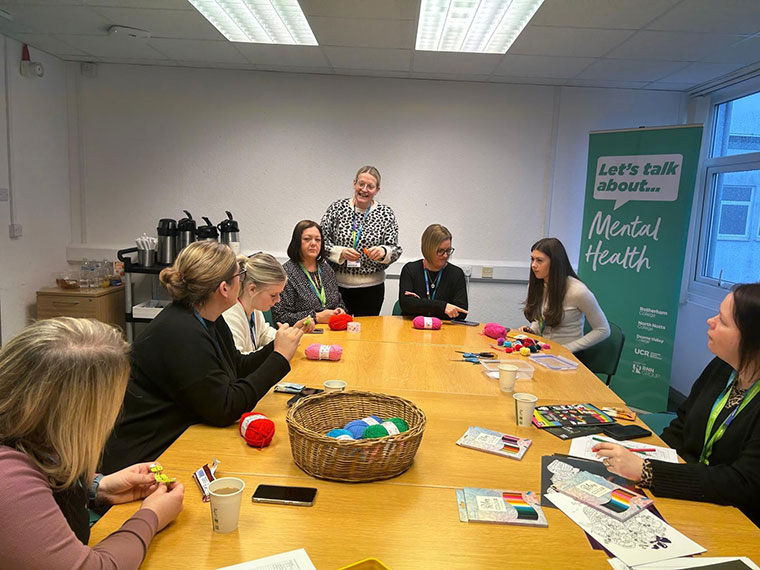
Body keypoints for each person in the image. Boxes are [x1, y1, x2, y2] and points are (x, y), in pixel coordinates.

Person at [101, 241, 303, 474]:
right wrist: (279, 359)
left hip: (175, 438)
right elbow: (225, 408)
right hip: (143, 458)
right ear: (224, 289)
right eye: (240, 274)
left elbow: (236, 367)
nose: (244, 278)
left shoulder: (208, 317)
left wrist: (277, 347)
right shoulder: (180, 332)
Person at [0, 317, 184, 569]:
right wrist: (150, 516)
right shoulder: (7, 478)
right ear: (75, 414)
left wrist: (98, 487)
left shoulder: (22, 430)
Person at [594, 283, 760, 527]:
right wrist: (647, 455)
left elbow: (743, 483)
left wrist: (648, 470)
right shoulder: (722, 367)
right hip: (691, 495)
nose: (710, 321)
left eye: (723, 321)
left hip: (737, 519)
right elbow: (682, 425)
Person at [320, 165, 402, 316]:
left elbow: (395, 249)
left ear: (377, 190)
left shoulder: (386, 213)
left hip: (372, 289)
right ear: (354, 184)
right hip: (336, 287)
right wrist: (341, 252)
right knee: (338, 332)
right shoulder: (337, 208)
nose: (364, 189)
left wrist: (384, 251)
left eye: (370, 186)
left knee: (365, 334)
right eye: (361, 184)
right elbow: (321, 242)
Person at [520, 237, 609, 352]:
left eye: (539, 260)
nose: (534, 265)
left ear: (555, 263)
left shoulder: (578, 291)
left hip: (567, 357)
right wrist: (532, 332)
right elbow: (542, 319)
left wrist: (566, 349)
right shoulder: (537, 286)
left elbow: (603, 330)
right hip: (543, 351)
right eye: (532, 259)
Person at [223, 252, 313, 353]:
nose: (278, 300)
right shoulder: (230, 317)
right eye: (273, 295)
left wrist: (288, 335)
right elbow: (239, 362)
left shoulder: (254, 309)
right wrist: (279, 347)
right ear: (252, 289)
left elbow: (263, 334)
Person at [272, 220, 347, 325]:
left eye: (317, 240)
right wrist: (316, 317)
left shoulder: (327, 269)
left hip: (331, 331)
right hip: (302, 334)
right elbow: (280, 316)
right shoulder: (286, 273)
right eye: (307, 239)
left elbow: (339, 302)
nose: (313, 243)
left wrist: (340, 310)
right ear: (297, 242)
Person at [398, 223, 468, 320]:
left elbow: (461, 312)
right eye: (440, 251)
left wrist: (420, 304)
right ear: (428, 249)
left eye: (448, 250)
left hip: (445, 330)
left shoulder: (456, 274)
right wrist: (443, 307)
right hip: (413, 327)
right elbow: (407, 304)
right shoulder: (410, 270)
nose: (445, 255)